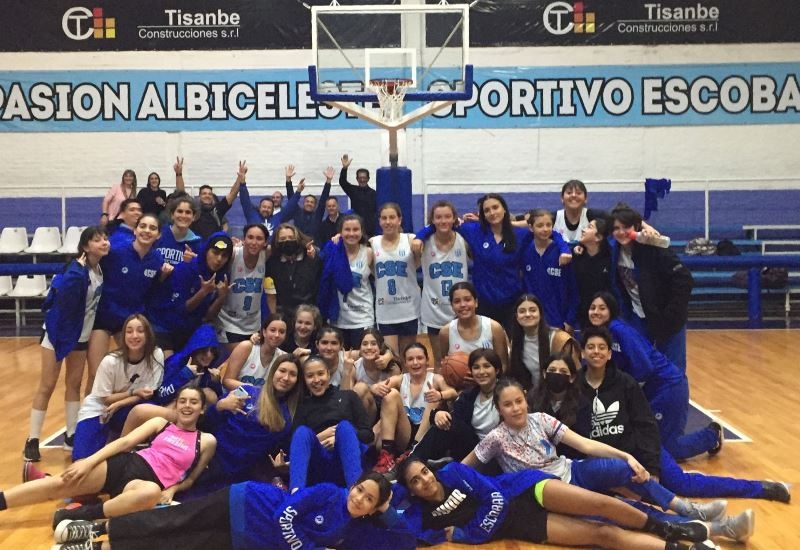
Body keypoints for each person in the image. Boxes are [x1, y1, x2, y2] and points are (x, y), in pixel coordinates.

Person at [463, 378, 732, 523]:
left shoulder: (541, 419)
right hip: (550, 491)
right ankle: (689, 526)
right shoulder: (495, 438)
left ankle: (686, 509)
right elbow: (465, 467)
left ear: (525, 398)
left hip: (573, 470)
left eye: (519, 401)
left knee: (628, 471)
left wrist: (628, 456)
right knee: (618, 509)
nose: (516, 408)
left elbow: (585, 444)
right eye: (508, 405)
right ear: (499, 409)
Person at [573, 326, 789, 506]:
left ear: (610, 354)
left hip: (639, 450)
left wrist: (653, 468)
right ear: (582, 353)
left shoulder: (626, 383)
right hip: (608, 461)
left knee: (682, 484)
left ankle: (762, 487)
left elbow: (646, 426)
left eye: (602, 347)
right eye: (590, 347)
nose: (596, 352)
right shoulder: (574, 388)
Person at [5, 385, 215, 532]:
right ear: (176, 406)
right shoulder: (161, 423)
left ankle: (79, 514)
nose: (187, 406)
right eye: (183, 401)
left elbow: (190, 479)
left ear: (202, 409)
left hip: (146, 483)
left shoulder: (206, 441)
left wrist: (172, 489)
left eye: (194, 402)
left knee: (150, 493)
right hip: (126, 464)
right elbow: (124, 443)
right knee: (60, 483)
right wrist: (90, 461)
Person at [396, 458, 716, 549]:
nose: (425, 480)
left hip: (523, 491)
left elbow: (494, 499)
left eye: (424, 471)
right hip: (523, 525)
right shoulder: (423, 516)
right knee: (600, 535)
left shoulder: (453, 472)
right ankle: (678, 549)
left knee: (600, 504)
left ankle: (668, 527)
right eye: (415, 481)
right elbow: (405, 535)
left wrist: (471, 534)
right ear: (410, 490)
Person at [50, 471, 415, 550]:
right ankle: (98, 529)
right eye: (360, 491)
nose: (359, 499)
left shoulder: (350, 530)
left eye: (369, 500)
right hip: (243, 503)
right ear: (352, 487)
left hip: (246, 541)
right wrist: (308, 548)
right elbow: (285, 515)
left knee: (178, 546)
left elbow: (404, 541)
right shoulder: (328, 491)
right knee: (172, 519)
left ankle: (97, 548)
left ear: (372, 508)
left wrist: (387, 510)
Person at [587, 292, 722, 460]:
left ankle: (712, 434)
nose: (596, 312)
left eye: (602, 308)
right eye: (592, 308)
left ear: (611, 311)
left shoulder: (619, 330)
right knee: (640, 440)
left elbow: (644, 366)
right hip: (653, 387)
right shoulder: (601, 335)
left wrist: (626, 392)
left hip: (669, 386)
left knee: (667, 450)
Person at [24, 226, 110, 461]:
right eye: (97, 240)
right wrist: (76, 275)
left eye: (105, 238)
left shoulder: (99, 269)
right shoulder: (75, 270)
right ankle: (32, 439)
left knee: (73, 384)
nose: (104, 242)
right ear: (85, 247)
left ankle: (71, 434)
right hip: (58, 334)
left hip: (81, 336)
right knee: (47, 384)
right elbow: (61, 299)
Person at [86, 213, 166, 393]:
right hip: (104, 318)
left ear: (159, 235)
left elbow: (153, 291)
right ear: (135, 230)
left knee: (130, 371)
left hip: (129, 322)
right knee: (96, 372)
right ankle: (89, 414)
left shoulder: (157, 261)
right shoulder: (115, 251)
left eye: (152, 228)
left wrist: (163, 276)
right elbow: (91, 266)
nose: (147, 231)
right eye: (143, 226)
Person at [609, 202, 693, 371]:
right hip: (638, 317)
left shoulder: (653, 247)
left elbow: (684, 278)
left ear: (636, 227)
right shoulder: (613, 250)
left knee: (672, 369)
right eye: (616, 228)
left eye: (626, 227)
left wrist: (672, 313)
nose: (621, 232)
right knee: (640, 365)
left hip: (668, 319)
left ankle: (675, 398)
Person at [198, 355, 304, 487]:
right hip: (211, 457)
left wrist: (282, 466)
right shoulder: (247, 391)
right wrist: (219, 406)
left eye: (292, 374)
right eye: (282, 371)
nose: (286, 378)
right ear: (273, 372)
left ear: (297, 381)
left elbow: (277, 455)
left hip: (239, 475)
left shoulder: (288, 417)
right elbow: (206, 423)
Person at [73, 314, 165, 460]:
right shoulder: (110, 361)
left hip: (128, 408)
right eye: (129, 331)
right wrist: (133, 392)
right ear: (123, 335)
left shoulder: (155, 354)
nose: (134, 336)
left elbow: (148, 394)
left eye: (140, 331)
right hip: (99, 409)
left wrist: (121, 403)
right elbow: (105, 399)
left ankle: (120, 441)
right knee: (81, 459)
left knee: (149, 407)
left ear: (148, 334)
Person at [119, 324, 223, 436]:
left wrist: (215, 383)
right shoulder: (176, 363)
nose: (209, 355)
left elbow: (215, 399)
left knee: (209, 394)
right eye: (204, 350)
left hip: (187, 410)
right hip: (163, 406)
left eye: (213, 351)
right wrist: (184, 376)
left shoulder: (208, 370)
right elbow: (159, 395)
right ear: (195, 349)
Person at [288, 355, 374, 491]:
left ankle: (355, 490)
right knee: (302, 432)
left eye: (320, 374)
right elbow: (296, 441)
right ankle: (296, 493)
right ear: (304, 379)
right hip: (319, 462)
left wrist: (339, 438)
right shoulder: (302, 405)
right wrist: (322, 436)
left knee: (344, 427)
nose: (316, 380)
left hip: (347, 457)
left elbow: (368, 435)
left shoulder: (348, 396)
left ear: (328, 374)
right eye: (310, 376)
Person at [371, 343, 457, 473]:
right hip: (405, 433)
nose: (415, 362)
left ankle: (414, 451)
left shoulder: (436, 379)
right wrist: (376, 388)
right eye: (410, 359)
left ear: (427, 360)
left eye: (419, 358)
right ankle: (387, 454)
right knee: (391, 394)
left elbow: (453, 393)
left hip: (426, 435)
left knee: (432, 396)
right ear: (405, 363)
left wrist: (440, 394)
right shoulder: (401, 379)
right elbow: (375, 387)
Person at [146, 232, 233, 356]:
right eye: (215, 253)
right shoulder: (186, 268)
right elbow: (181, 309)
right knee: (169, 364)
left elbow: (208, 316)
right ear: (206, 251)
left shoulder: (222, 277)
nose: (219, 259)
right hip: (163, 325)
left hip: (190, 330)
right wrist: (203, 292)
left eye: (224, 256)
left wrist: (221, 297)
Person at [411, 348, 502, 463]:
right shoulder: (469, 395)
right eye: (476, 367)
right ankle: (415, 461)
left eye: (487, 366)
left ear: (497, 370)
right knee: (445, 422)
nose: (481, 371)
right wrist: (437, 414)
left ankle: (417, 460)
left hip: (499, 451)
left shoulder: (507, 391)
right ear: (471, 372)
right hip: (473, 449)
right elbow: (454, 420)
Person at [419, 200, 469, 367]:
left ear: (454, 218)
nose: (443, 221)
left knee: (462, 361)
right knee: (440, 361)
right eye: (438, 217)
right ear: (432, 220)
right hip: (434, 308)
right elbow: (413, 247)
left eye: (447, 216)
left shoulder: (464, 240)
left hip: (460, 308)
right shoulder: (424, 242)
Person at [370, 203, 421, 355]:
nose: (388, 222)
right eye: (384, 218)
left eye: (392, 217)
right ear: (379, 221)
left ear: (400, 220)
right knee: (390, 358)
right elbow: (351, 244)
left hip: (408, 308)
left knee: (407, 357)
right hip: (385, 309)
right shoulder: (373, 243)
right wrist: (338, 236)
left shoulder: (411, 239)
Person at [507, 293, 581, 395]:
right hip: (532, 397)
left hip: (561, 395)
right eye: (522, 311)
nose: (528, 314)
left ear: (540, 314)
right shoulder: (515, 341)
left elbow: (577, 374)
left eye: (533, 310)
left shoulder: (560, 339)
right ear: (517, 317)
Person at [521, 209, 579, 332]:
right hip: (533, 320)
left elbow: (573, 289)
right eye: (540, 225)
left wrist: (569, 320)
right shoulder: (525, 252)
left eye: (548, 225)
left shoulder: (563, 253)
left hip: (559, 321)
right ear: (531, 228)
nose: (545, 229)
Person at [216, 223, 269, 348]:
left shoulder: (266, 254)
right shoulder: (233, 254)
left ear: (265, 242)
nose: (254, 242)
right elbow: (211, 255)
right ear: (244, 239)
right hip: (228, 323)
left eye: (259, 238)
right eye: (250, 237)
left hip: (253, 325)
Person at [328, 214, 375, 349]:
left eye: (356, 229)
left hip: (362, 317)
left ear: (362, 231)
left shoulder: (368, 252)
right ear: (340, 232)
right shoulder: (333, 250)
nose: (351, 233)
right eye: (347, 230)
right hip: (338, 319)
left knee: (362, 360)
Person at [439, 281, 509, 370]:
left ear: (476, 302)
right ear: (452, 306)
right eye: (457, 301)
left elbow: (503, 364)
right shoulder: (445, 332)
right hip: (458, 384)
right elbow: (441, 364)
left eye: (467, 300)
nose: (463, 305)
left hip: (490, 382)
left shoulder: (494, 327)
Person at [264, 223, 322, 313]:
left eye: (291, 238)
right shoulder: (272, 263)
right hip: (283, 314)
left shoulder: (311, 256)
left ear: (297, 238)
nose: (287, 241)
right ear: (276, 242)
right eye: (282, 239)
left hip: (308, 313)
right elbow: (271, 294)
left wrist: (314, 259)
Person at [222, 313, 288, 390]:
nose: (277, 335)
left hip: (261, 401)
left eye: (281, 332)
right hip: (234, 396)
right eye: (272, 330)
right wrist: (254, 391)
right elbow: (227, 381)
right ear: (264, 332)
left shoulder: (283, 357)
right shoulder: (246, 347)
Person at [571, 217, 613, 329]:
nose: (583, 230)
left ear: (598, 237)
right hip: (581, 316)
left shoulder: (610, 258)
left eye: (589, 227)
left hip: (605, 317)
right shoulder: (576, 254)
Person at [189, 160, 246, 239]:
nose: (207, 196)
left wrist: (240, 178)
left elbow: (232, 194)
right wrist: (179, 174)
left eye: (210, 194)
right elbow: (180, 192)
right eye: (204, 193)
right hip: (196, 247)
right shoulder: (193, 211)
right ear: (199, 196)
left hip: (213, 248)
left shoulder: (217, 210)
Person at [238, 166, 301, 235]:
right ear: (259, 208)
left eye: (269, 208)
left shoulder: (278, 218)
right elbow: (245, 200)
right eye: (264, 207)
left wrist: (298, 191)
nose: (266, 209)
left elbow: (290, 205)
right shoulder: (252, 215)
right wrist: (242, 182)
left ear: (272, 210)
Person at [284, 164, 334, 239]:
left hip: (314, 247)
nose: (309, 203)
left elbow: (324, 198)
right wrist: (288, 180)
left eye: (312, 202)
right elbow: (292, 198)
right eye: (307, 201)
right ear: (303, 203)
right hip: (298, 246)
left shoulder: (318, 215)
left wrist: (328, 181)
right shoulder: (297, 212)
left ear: (315, 205)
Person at [553, 179, 608, 243]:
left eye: (578, 193)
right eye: (569, 193)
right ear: (562, 198)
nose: (573, 195)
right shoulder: (553, 218)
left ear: (585, 199)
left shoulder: (596, 216)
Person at [153, 196, 202, 267]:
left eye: (188, 212)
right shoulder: (158, 232)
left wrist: (194, 262)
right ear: (172, 215)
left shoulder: (197, 242)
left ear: (193, 217)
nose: (183, 215)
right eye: (180, 211)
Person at [339, 153, 377, 236]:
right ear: (357, 179)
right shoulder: (353, 191)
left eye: (364, 178)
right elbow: (342, 182)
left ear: (368, 179)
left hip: (371, 231)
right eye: (360, 178)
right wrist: (344, 168)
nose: (362, 180)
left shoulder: (374, 194)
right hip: (356, 229)